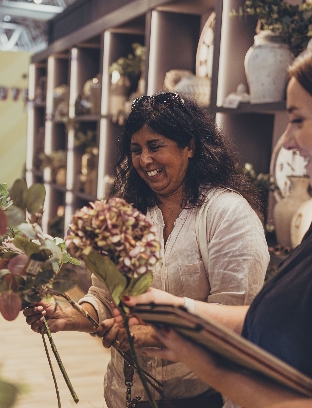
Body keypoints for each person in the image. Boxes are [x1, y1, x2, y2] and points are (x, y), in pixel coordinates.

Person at [117, 0, 312, 407]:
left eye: (298, 119)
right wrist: (177, 312)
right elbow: (275, 322)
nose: (287, 140)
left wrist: (202, 361)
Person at [24, 93, 269, 407]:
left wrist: (154, 334)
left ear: (190, 146)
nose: (144, 160)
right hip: (129, 393)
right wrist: (68, 317)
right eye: (136, 150)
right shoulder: (128, 212)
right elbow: (104, 296)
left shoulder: (228, 215)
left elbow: (235, 321)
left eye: (156, 146)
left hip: (204, 394)